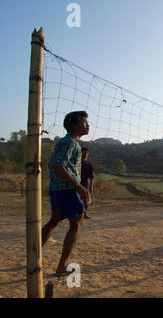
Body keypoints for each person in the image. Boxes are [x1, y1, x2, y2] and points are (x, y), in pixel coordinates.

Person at [41, 111, 90, 277]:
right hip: (66, 189)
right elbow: (58, 166)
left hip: (57, 188)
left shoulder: (67, 142)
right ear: (73, 126)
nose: (87, 125)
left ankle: (35, 257)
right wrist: (78, 185)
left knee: (54, 221)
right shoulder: (71, 143)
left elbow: (57, 166)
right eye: (84, 123)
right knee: (76, 224)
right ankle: (62, 266)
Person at [80, 147, 94, 219]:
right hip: (76, 183)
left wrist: (91, 186)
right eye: (84, 153)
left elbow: (91, 176)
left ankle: (84, 214)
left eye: (86, 153)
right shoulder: (77, 163)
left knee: (85, 200)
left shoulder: (89, 165)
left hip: (85, 183)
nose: (85, 154)